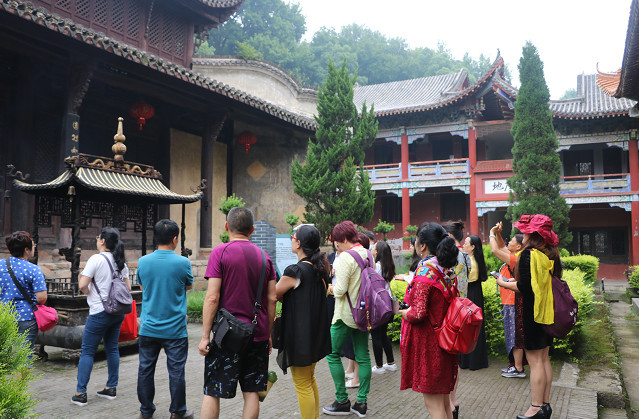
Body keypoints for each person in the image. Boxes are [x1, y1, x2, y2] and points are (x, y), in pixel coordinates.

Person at [198, 207, 277, 419]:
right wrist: (268, 334)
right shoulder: (264, 257)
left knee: (213, 390)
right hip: (257, 334)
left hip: (226, 337)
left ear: (227, 227)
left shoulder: (220, 252)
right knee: (251, 391)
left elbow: (212, 297)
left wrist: (205, 336)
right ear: (252, 230)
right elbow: (272, 299)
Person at [496, 214, 559, 419]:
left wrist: (503, 283)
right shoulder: (550, 253)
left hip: (532, 313)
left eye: (525, 229)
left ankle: (535, 407)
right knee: (544, 359)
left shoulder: (528, 255)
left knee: (535, 362)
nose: (522, 233)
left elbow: (524, 287)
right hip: (548, 311)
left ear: (531, 233)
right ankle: (546, 405)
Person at [399, 222, 459, 419]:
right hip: (446, 341)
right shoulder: (446, 270)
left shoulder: (425, 272)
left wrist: (401, 312)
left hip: (430, 345)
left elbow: (418, 314)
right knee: (444, 403)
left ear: (422, 245)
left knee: (433, 405)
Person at [136, 219, 194, 419]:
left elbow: (143, 288)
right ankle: (177, 412)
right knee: (176, 371)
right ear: (175, 239)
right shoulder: (183, 262)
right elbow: (187, 286)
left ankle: (145, 412)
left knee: (145, 370)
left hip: (148, 327)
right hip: (175, 330)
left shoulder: (143, 262)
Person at [275, 225, 331, 419]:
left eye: (293, 237)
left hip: (301, 337)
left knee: (302, 385)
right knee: (309, 379)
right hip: (314, 334)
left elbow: (274, 294)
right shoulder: (319, 269)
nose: (291, 239)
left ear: (298, 243)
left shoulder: (295, 271)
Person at [72, 227, 131, 407]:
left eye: (98, 237)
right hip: (117, 313)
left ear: (103, 241)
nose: (97, 240)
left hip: (99, 312)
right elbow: (127, 289)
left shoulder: (95, 259)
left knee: (88, 351)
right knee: (112, 348)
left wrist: (90, 293)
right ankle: (111, 388)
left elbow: (82, 284)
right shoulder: (121, 262)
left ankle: (81, 393)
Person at [322, 221, 371, 418]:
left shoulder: (344, 258)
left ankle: (342, 400)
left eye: (336, 242)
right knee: (364, 356)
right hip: (364, 314)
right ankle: (361, 402)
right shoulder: (368, 253)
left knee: (332, 354)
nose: (336, 246)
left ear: (343, 239)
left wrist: (328, 288)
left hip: (344, 315)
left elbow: (340, 290)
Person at [0, 231, 47, 359]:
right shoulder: (33, 269)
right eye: (33, 245)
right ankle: (19, 379)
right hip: (25, 318)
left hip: (3, 317)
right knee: (22, 360)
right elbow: (42, 298)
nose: (34, 247)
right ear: (26, 250)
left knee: (4, 359)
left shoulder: (0, 265)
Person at [488, 223, 526, 378]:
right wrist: (498, 233)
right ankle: (514, 365)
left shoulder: (514, 259)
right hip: (510, 302)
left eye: (512, 240)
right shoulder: (516, 255)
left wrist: (491, 233)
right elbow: (502, 246)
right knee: (512, 336)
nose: (508, 242)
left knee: (515, 336)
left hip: (513, 303)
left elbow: (495, 250)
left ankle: (518, 368)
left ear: (518, 247)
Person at [441, 220, 470, 417]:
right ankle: (454, 400)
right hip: (463, 310)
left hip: (449, 311)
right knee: (455, 360)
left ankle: (449, 404)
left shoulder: (446, 255)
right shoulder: (466, 256)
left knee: (447, 359)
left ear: (449, 235)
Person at [459, 235, 488, 370]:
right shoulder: (475, 260)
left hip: (471, 295)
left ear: (472, 247)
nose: (463, 245)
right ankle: (475, 360)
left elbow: (463, 281)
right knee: (476, 328)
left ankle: (469, 361)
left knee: (469, 328)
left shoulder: (470, 262)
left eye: (466, 243)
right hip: (476, 294)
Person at [370, 240, 397, 374]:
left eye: (374, 248)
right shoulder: (389, 265)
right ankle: (391, 362)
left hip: (378, 304)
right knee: (383, 333)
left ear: (378, 252)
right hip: (387, 303)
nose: (372, 250)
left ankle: (379, 366)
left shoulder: (377, 266)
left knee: (375, 334)